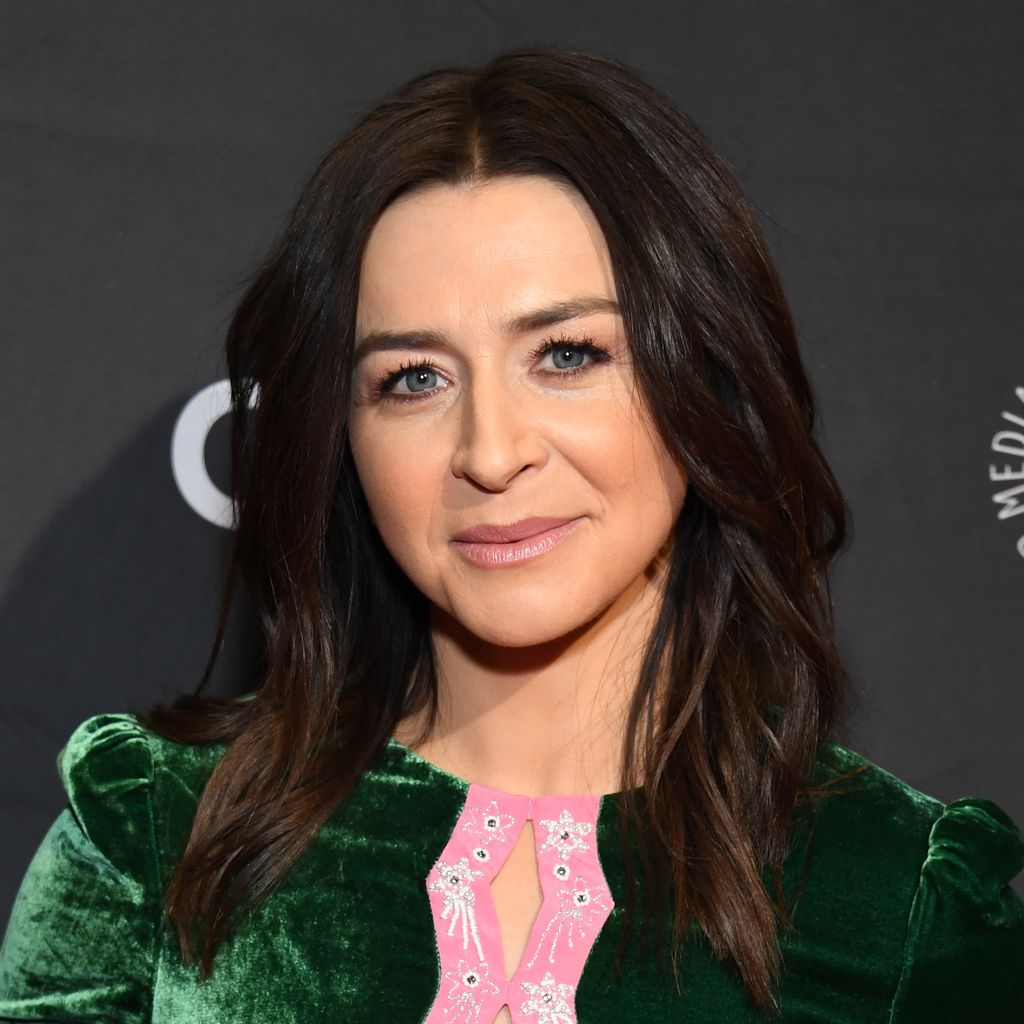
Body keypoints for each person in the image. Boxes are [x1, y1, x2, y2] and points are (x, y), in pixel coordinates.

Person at [1, 47, 1022, 1024]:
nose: (490, 451)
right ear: (341, 436)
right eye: (413, 378)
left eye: (568, 353)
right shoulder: (154, 845)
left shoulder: (897, 904)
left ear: (698, 377)